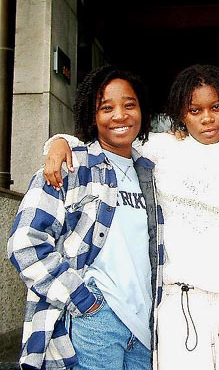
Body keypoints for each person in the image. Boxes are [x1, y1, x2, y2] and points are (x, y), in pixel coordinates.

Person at [42, 64, 219, 370]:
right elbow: (110, 137)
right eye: (195, 110)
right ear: (181, 114)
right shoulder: (160, 150)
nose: (207, 118)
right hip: (179, 307)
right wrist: (60, 142)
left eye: (216, 107)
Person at [7, 65, 164, 370]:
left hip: (144, 328)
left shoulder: (151, 171)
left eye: (129, 105)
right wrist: (83, 301)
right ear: (92, 116)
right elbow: (24, 244)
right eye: (107, 108)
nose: (120, 115)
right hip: (96, 320)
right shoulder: (71, 167)